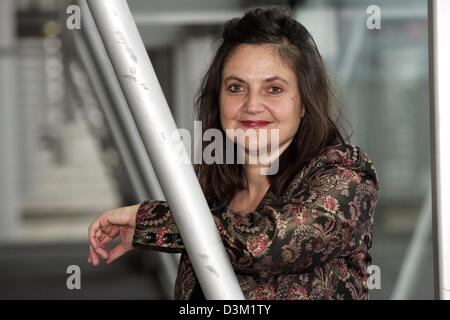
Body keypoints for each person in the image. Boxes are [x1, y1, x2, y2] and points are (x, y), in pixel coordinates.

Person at [88, 7, 379, 300]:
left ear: (304, 103)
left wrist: (152, 219)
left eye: (274, 89)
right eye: (236, 87)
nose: (252, 105)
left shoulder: (345, 174)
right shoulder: (217, 194)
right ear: (219, 99)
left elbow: (264, 243)